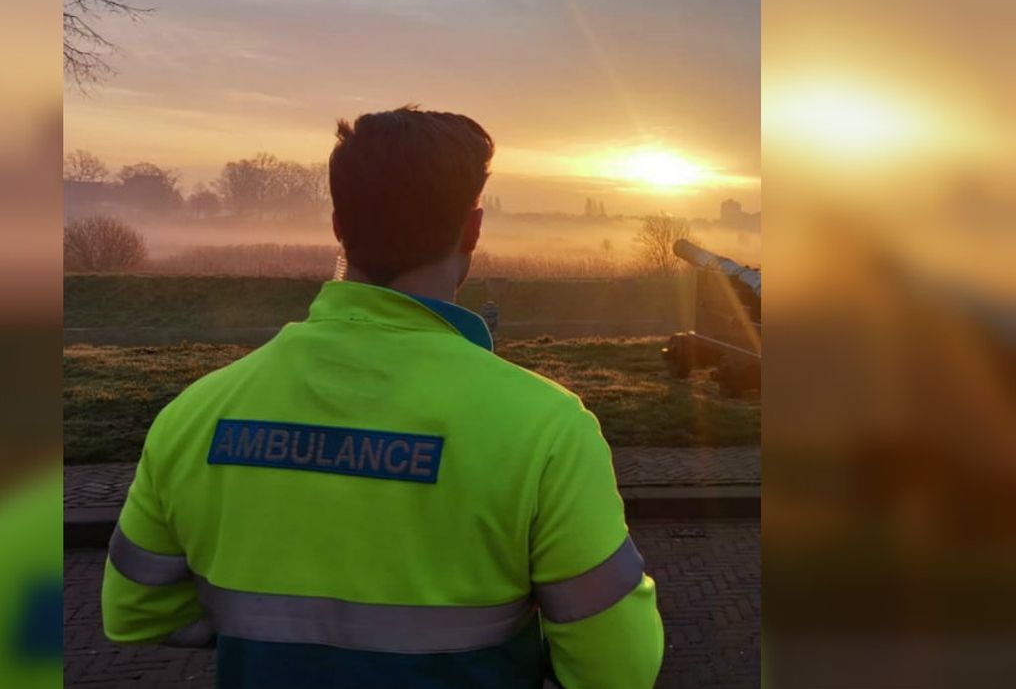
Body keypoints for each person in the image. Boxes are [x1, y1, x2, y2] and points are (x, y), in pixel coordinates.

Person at [102, 106, 663, 688]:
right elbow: (617, 670)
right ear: (472, 229)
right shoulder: (547, 429)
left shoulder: (195, 414)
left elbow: (133, 614)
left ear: (339, 226)